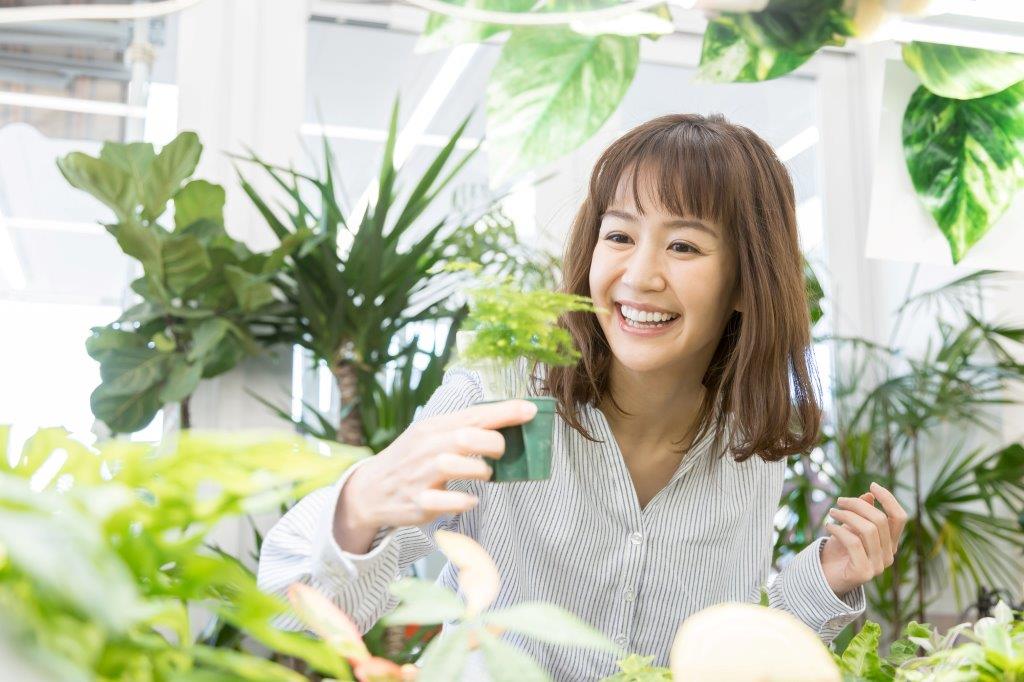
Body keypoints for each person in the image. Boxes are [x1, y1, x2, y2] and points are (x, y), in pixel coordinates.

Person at [258, 113, 908, 680]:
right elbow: (299, 610)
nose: (639, 275)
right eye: (619, 235)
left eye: (683, 245)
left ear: (746, 281)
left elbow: (722, 645)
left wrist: (828, 576)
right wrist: (359, 509)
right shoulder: (502, 396)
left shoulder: (748, 440)